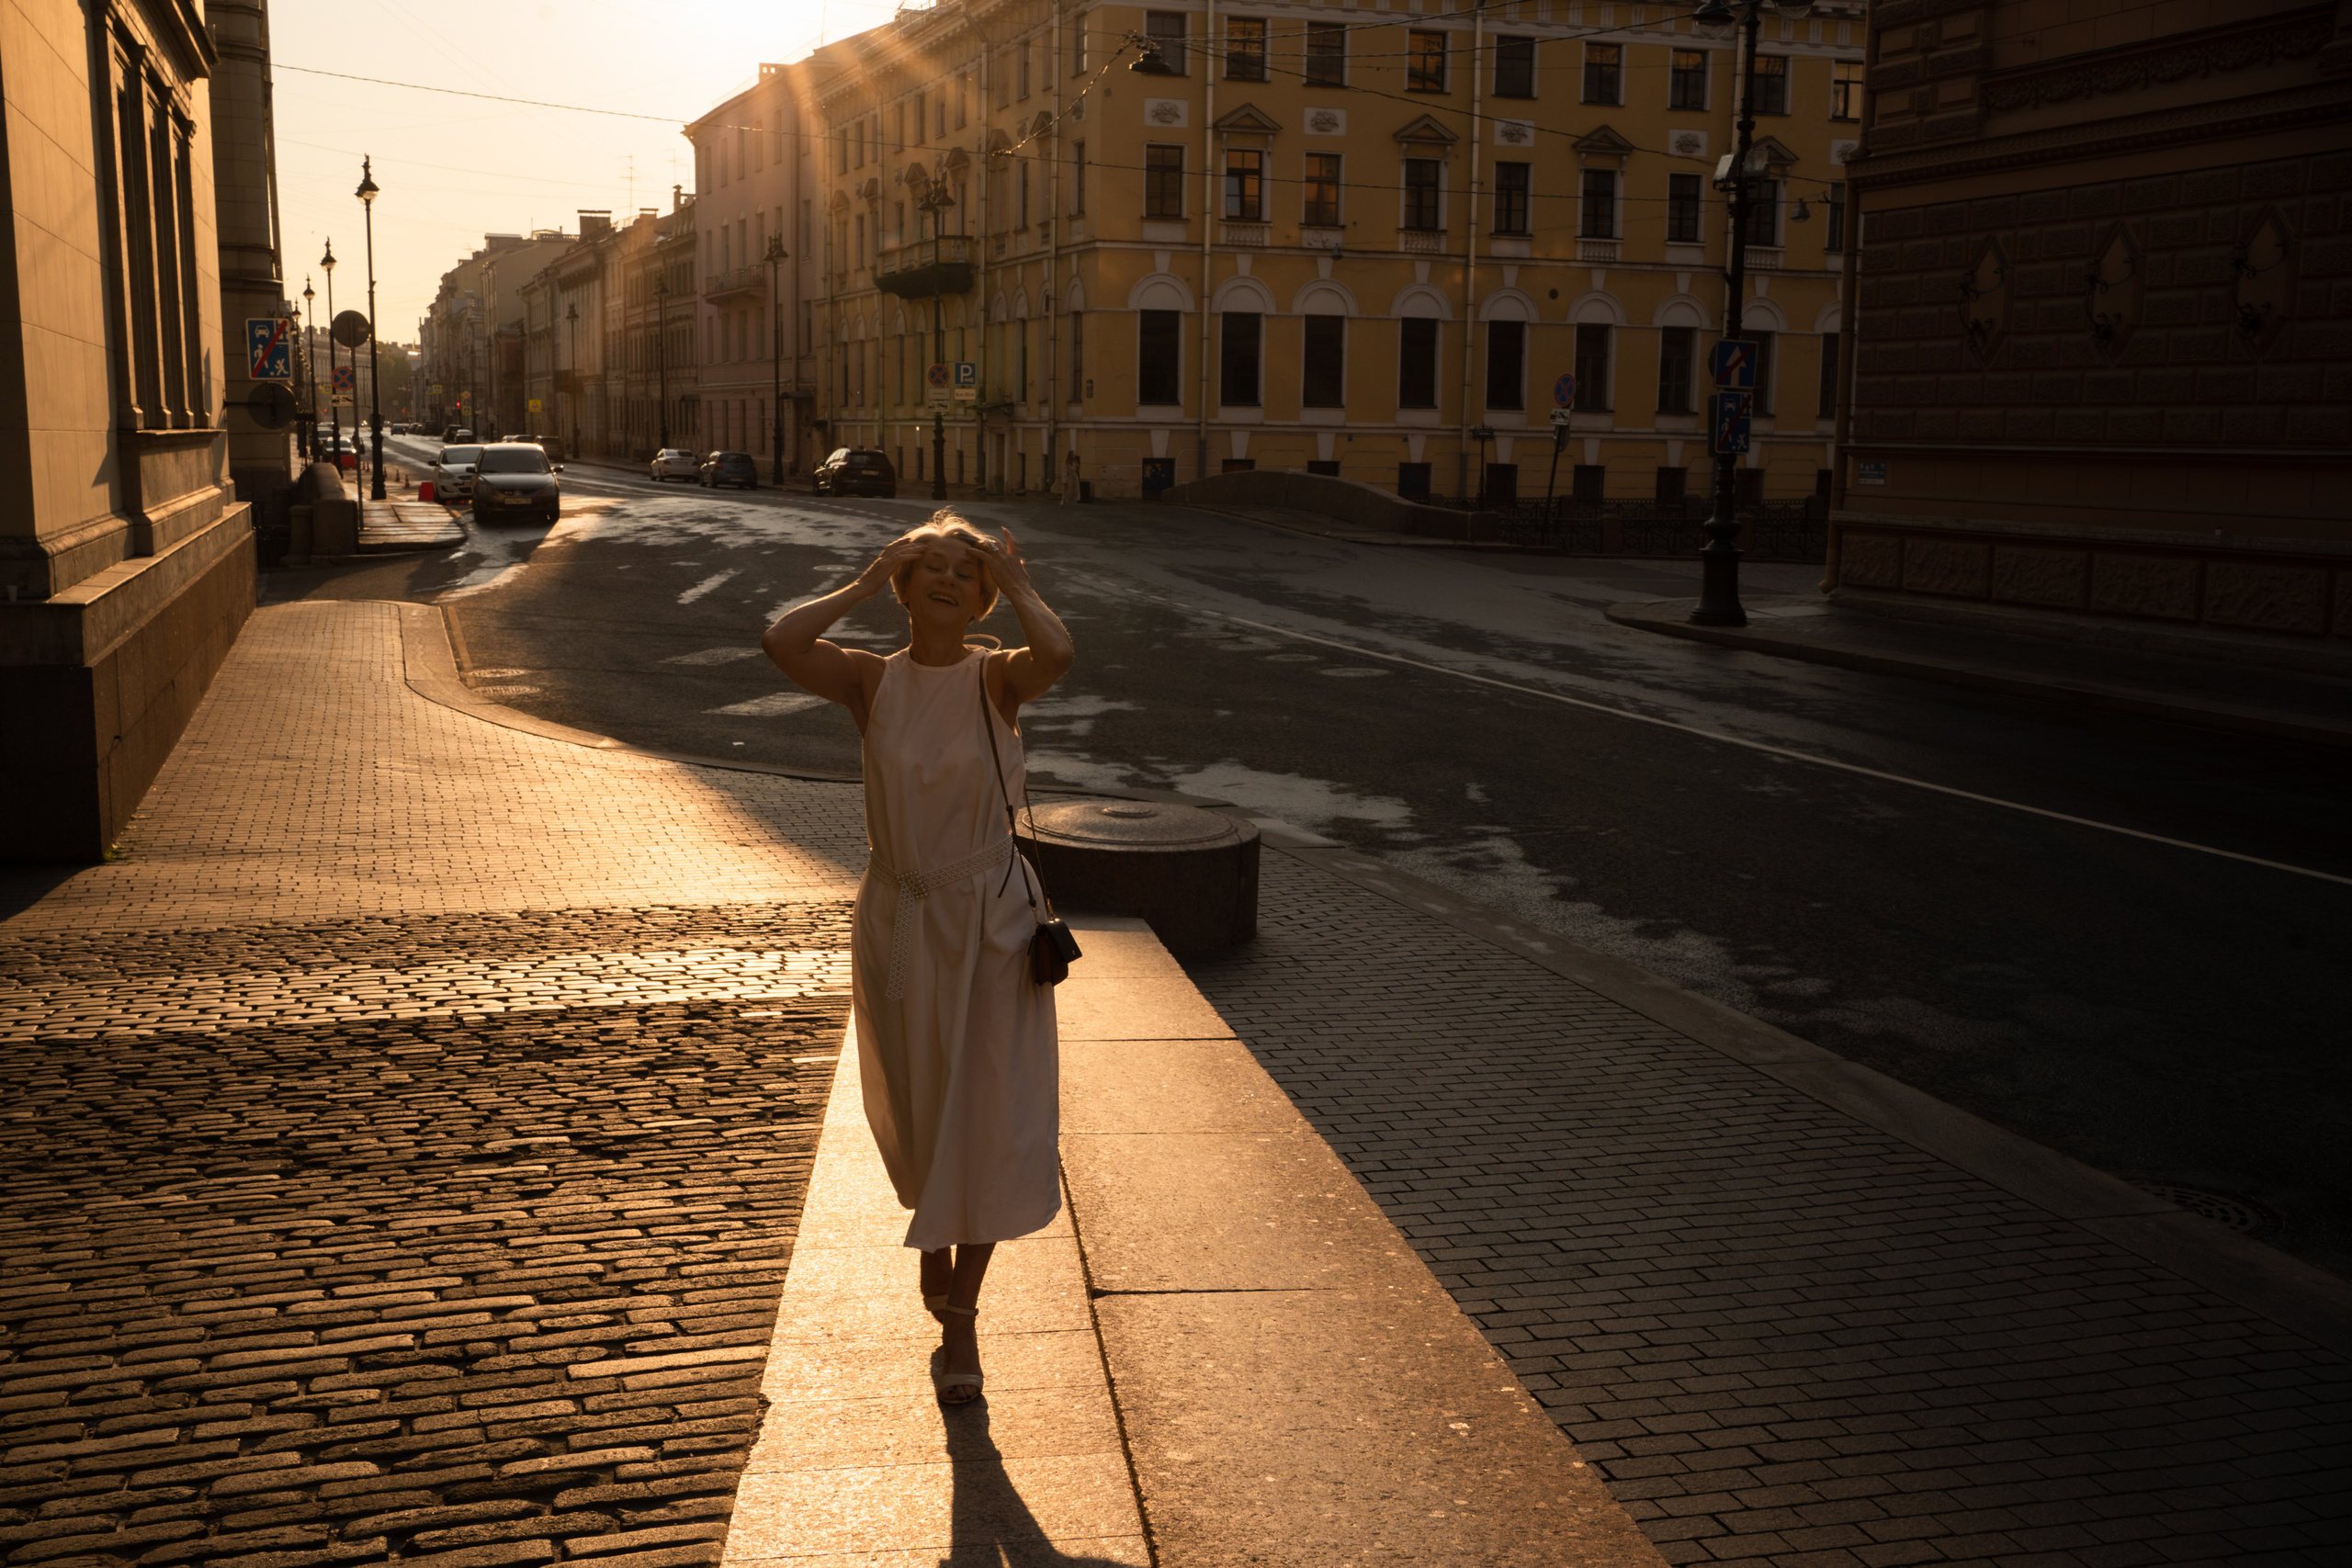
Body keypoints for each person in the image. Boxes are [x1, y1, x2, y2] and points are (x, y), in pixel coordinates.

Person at [762, 512, 1075, 1404]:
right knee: (918, 1098)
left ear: (978, 598)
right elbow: (782, 640)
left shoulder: (996, 678)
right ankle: (931, 1236)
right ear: (904, 586)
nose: (943, 578)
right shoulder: (870, 681)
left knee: (986, 1112)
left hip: (991, 922)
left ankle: (964, 1328)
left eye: (960, 571)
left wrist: (1016, 582)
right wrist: (861, 580)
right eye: (925, 567)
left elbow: (1056, 654)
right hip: (898, 916)